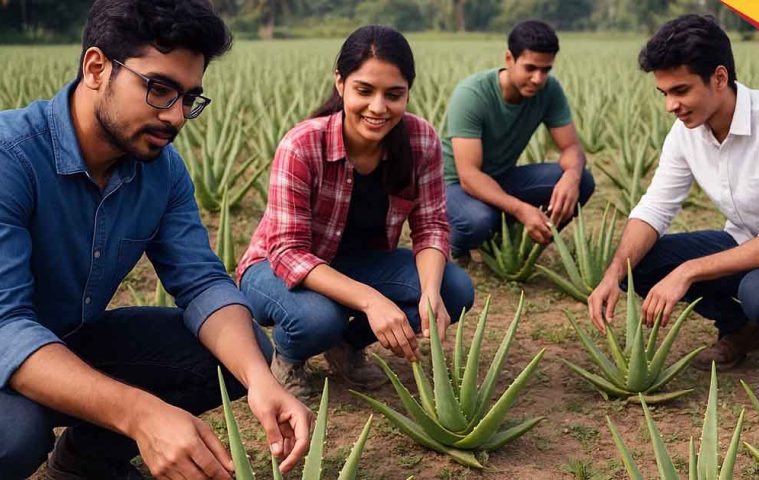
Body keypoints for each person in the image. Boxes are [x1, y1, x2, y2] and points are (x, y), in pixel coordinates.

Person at [0, 1, 313, 479]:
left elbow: (202, 282)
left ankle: (85, 463)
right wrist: (140, 414)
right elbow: (7, 326)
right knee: (15, 435)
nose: (177, 117)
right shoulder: (12, 159)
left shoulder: (162, 172)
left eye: (188, 98)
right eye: (159, 89)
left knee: (239, 351)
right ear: (97, 67)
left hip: (67, 339)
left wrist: (259, 381)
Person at [587, 14, 759, 404]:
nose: (670, 105)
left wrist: (688, 270)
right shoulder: (686, 132)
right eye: (663, 93)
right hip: (748, 243)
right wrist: (612, 273)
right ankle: (742, 330)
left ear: (719, 78)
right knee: (637, 263)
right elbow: (655, 208)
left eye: (680, 90)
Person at [237, 25, 475, 401]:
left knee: (454, 289)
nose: (379, 108)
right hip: (273, 267)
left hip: (357, 263)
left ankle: (345, 346)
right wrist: (372, 300)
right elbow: (288, 253)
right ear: (341, 84)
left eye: (393, 95)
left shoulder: (420, 140)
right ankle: (289, 356)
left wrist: (429, 294)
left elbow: (430, 227)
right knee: (318, 319)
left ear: (408, 92)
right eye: (365, 91)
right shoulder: (303, 145)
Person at [442, 20, 595, 261]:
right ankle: (455, 244)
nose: (538, 78)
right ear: (508, 59)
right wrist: (521, 209)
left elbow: (571, 147)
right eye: (530, 68)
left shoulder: (549, 90)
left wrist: (571, 177)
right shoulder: (472, 95)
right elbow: (469, 176)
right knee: (479, 221)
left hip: (501, 176)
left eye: (546, 70)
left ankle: (515, 242)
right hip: (454, 185)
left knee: (582, 181)